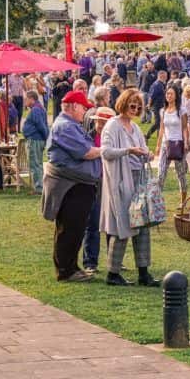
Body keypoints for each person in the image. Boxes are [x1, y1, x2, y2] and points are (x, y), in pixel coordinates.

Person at [99, 89, 160, 287]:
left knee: (142, 223)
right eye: (131, 105)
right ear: (123, 104)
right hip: (121, 180)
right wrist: (128, 151)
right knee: (122, 226)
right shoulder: (112, 126)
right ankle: (113, 273)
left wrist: (146, 154)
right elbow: (106, 151)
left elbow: (142, 149)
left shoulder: (134, 127)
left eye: (138, 107)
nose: (134, 109)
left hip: (137, 179)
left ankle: (144, 272)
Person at [42, 90, 101, 283]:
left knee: (75, 227)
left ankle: (72, 266)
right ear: (74, 106)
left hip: (78, 184)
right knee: (70, 227)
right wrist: (106, 149)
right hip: (71, 185)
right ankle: (66, 270)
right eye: (84, 108)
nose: (85, 112)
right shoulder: (65, 127)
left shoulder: (71, 125)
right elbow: (86, 152)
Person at [82, 106, 114, 274]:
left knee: (111, 223)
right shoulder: (88, 137)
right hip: (94, 181)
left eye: (103, 122)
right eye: (98, 122)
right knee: (92, 221)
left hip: (110, 181)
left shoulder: (114, 138)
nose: (100, 125)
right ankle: (90, 261)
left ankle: (114, 259)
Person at [156, 84, 188, 200]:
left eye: (171, 94)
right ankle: (157, 201)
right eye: (167, 93)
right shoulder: (162, 111)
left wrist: (186, 142)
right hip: (166, 144)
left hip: (178, 144)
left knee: (181, 175)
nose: (168, 96)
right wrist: (158, 145)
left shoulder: (181, 110)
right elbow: (161, 128)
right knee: (161, 174)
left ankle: (183, 201)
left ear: (176, 96)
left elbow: (185, 127)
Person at [22, 89, 49, 194]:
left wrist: (44, 137)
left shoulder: (36, 110)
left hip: (35, 139)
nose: (25, 101)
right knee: (37, 164)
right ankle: (40, 186)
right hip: (38, 139)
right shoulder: (38, 108)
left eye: (26, 99)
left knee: (35, 164)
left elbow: (41, 125)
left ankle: (38, 188)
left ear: (31, 99)